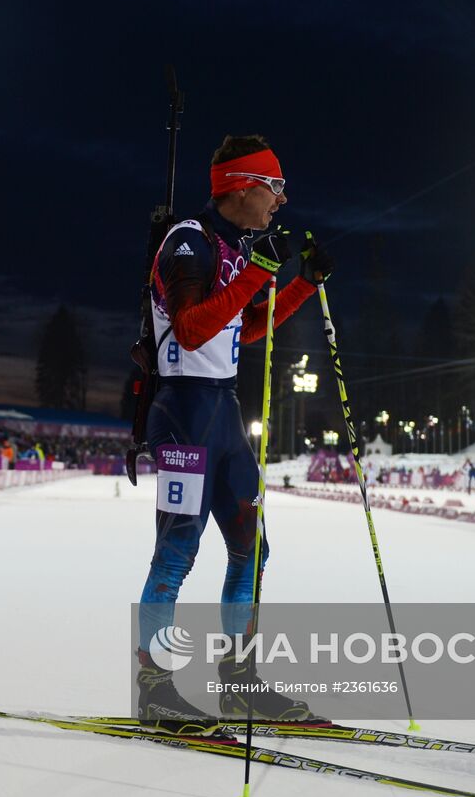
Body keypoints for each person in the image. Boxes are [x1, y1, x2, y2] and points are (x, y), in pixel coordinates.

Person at [135, 135, 334, 723]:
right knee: (177, 551)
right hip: (183, 414)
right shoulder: (189, 242)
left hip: (221, 412)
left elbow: (240, 329)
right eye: (274, 186)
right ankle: (153, 687)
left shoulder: (232, 247)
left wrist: (302, 283)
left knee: (252, 549)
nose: (282, 198)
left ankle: (240, 680)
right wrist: (259, 273)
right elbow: (193, 328)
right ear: (241, 186)